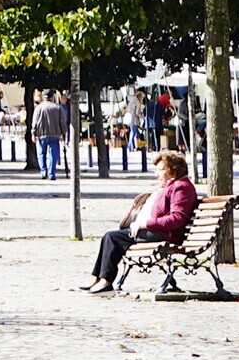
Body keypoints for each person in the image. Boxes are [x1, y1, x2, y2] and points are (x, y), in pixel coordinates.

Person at [82, 151, 198, 293]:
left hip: (167, 234)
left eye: (161, 169)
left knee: (113, 237)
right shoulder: (170, 186)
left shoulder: (181, 187)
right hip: (159, 231)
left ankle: (105, 281)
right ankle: (98, 278)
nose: (157, 174)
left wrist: (146, 223)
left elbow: (177, 219)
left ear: (174, 170)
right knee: (110, 236)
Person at [35, 90, 69, 181]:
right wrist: (64, 133)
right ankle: (51, 173)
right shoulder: (58, 108)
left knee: (42, 153)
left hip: (42, 133)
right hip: (55, 134)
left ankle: (43, 171)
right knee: (53, 154)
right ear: (52, 97)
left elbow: (34, 122)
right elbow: (62, 122)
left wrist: (33, 132)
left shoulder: (38, 108)